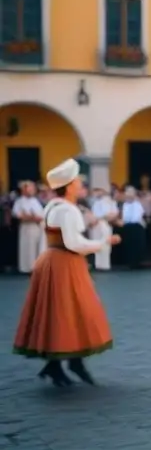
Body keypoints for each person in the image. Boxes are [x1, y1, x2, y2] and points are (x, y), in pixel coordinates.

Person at [12, 159, 121, 386]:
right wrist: (103, 241)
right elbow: (74, 243)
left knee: (62, 313)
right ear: (69, 186)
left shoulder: (52, 206)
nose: (82, 186)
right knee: (72, 312)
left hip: (54, 261)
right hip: (65, 263)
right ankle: (69, 362)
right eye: (78, 183)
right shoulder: (67, 210)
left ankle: (62, 364)